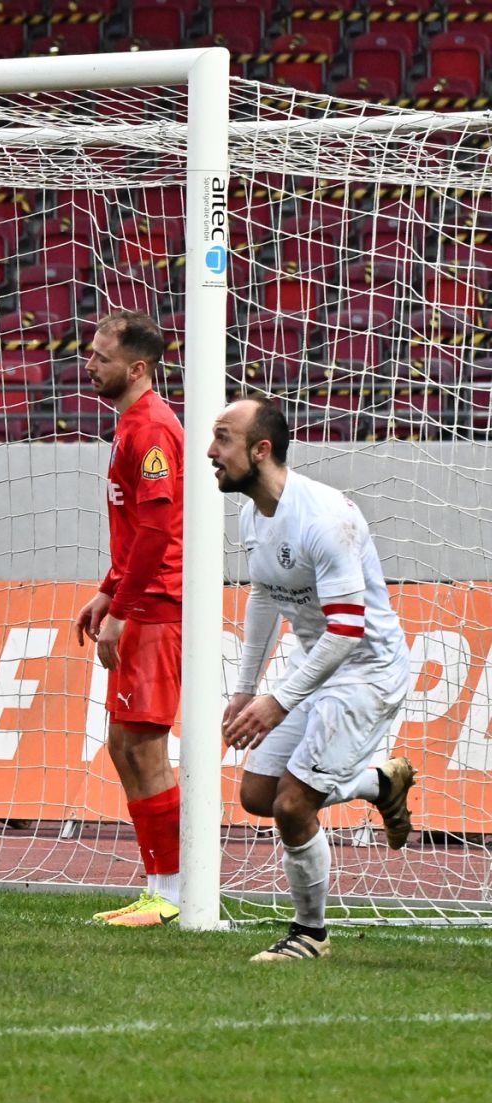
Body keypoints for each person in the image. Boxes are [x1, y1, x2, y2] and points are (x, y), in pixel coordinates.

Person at [211, 395, 417, 962]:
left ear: (261, 449)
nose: (210, 451)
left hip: (367, 672)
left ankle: (311, 934)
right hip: (317, 667)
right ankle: (380, 785)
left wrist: (278, 701)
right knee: (258, 795)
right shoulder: (254, 513)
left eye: (223, 438)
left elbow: (348, 631)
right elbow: (264, 594)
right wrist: (247, 689)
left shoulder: (325, 518)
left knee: (292, 805)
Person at [74, 311, 185, 928]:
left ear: (137, 368)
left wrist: (122, 609)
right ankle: (160, 886)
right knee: (125, 745)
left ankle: (173, 892)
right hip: (141, 599)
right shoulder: (132, 425)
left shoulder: (152, 430)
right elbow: (138, 530)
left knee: (143, 748)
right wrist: (107, 590)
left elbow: (159, 531)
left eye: (101, 357)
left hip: (157, 607)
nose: (90, 364)